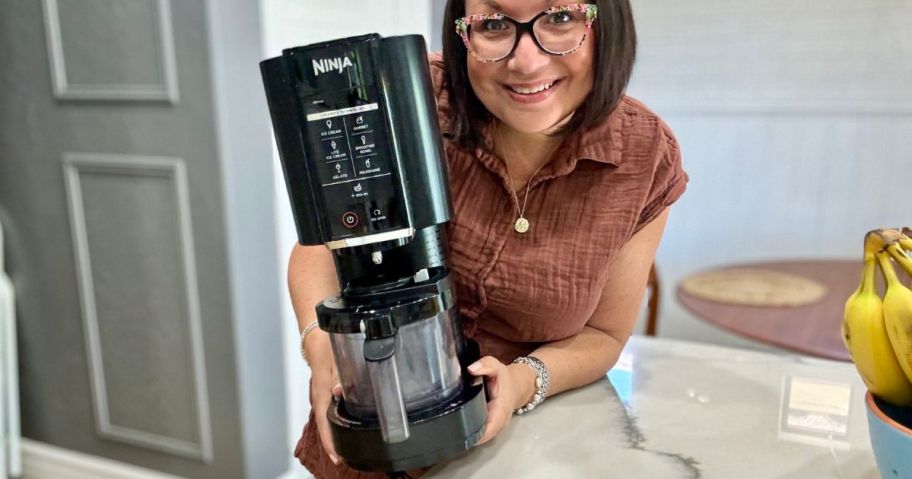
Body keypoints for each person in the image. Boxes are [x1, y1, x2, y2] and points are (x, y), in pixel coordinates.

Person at [292, 0, 688, 477]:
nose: (526, 61)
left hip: (514, 455)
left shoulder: (644, 157)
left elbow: (603, 335)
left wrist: (522, 382)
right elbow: (321, 244)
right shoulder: (402, 95)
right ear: (463, 33)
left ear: (608, 25)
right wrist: (321, 350)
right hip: (365, 441)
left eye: (561, 18)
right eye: (495, 24)